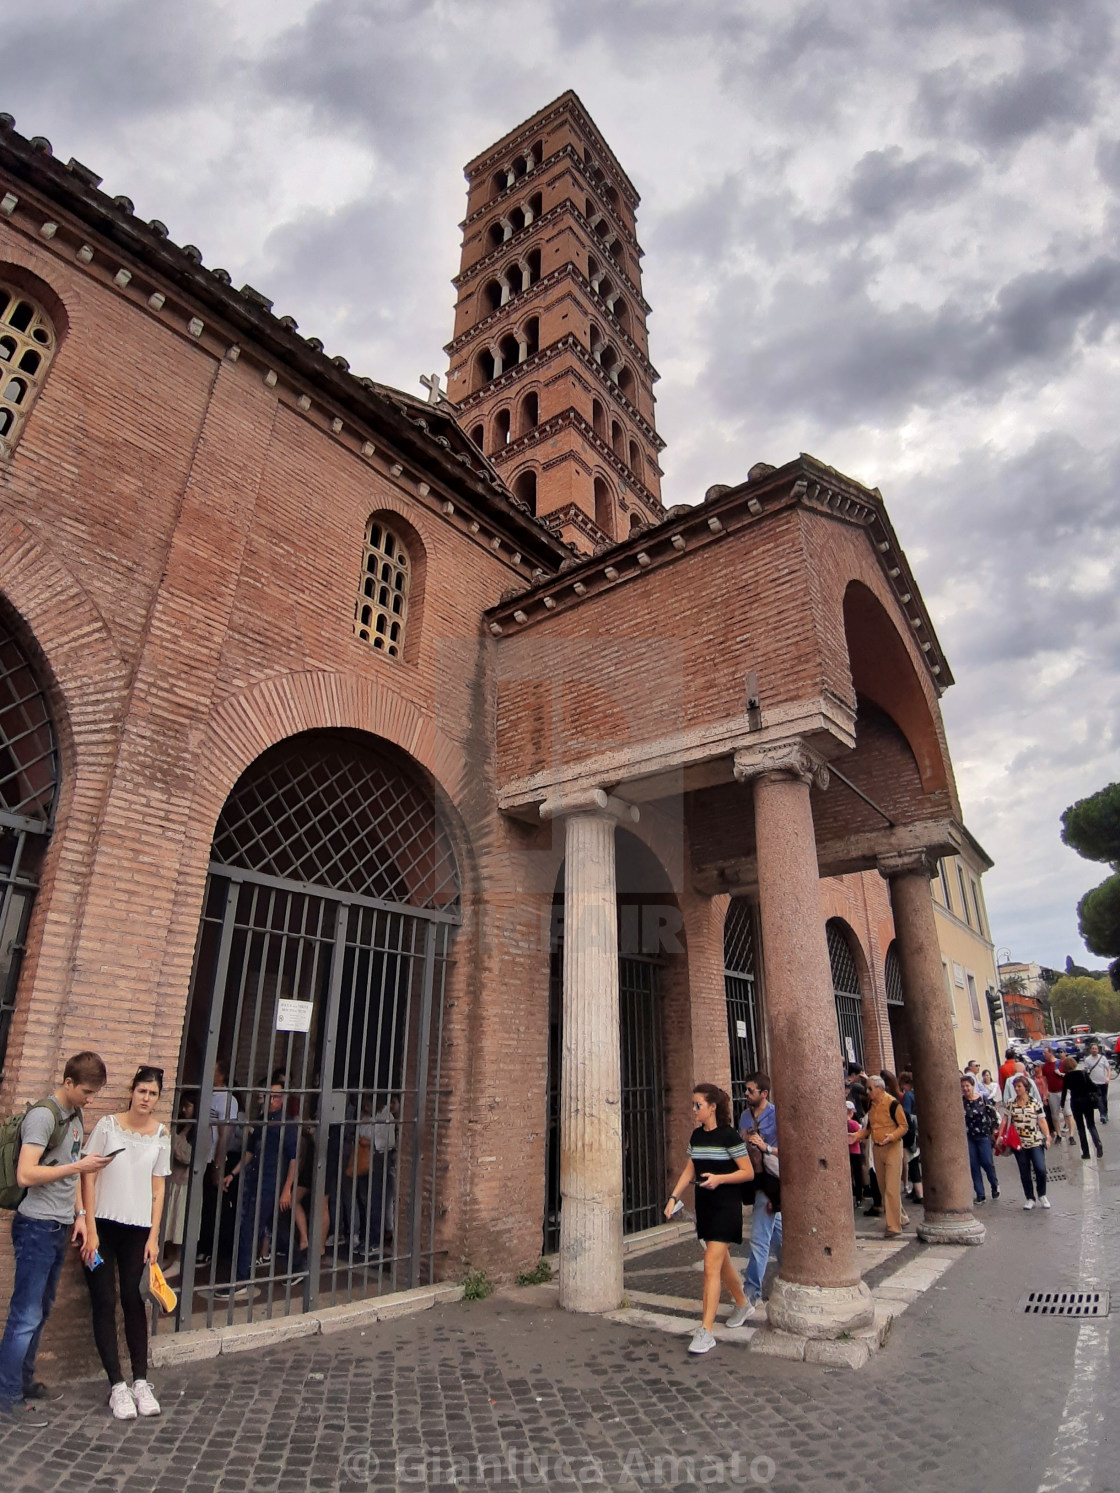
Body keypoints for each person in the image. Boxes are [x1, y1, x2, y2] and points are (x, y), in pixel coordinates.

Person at [0, 1051, 111, 1428]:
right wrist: (79, 1167)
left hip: (60, 1226)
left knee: (41, 1311)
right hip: (35, 1227)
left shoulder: (75, 1117)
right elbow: (26, 1175)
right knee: (25, 1315)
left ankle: (24, 1381)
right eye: (86, 1091)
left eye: (94, 1094)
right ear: (67, 1082)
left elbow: (71, 1177)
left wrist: (80, 1215)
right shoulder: (44, 1117)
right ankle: (7, 1395)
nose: (90, 1099)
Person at [80, 1065, 171, 1419]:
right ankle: (116, 1385)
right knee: (103, 1299)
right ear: (131, 1091)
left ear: (157, 1098)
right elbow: (87, 1174)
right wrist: (89, 1226)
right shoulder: (108, 1126)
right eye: (142, 1091)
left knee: (134, 1299)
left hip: (137, 1229)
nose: (146, 1098)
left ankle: (140, 1382)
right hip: (102, 1224)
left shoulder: (160, 1134)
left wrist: (154, 1237)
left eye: (153, 1094)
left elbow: (159, 1188)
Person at [665, 1084, 754, 1355]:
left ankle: (706, 1331)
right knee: (720, 1261)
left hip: (726, 1205)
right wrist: (673, 1197)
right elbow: (688, 1169)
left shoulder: (729, 1137)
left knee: (710, 1266)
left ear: (712, 1107)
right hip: (705, 1205)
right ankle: (742, 1302)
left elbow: (747, 1172)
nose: (693, 1110)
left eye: (697, 1105)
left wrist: (720, 1179)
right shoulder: (696, 1136)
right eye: (693, 1105)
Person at [220, 1082, 302, 1295]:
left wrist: (287, 1189)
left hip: (272, 1183)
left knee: (250, 1227)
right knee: (276, 1227)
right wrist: (233, 1173)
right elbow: (250, 1152)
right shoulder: (261, 1121)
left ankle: (242, 1279)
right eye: (268, 1096)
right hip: (256, 1181)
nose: (272, 1100)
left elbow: (294, 1159)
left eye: (276, 1097)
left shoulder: (287, 1124)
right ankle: (300, 1264)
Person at [737, 1072, 780, 1311]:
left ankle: (750, 1295)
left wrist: (766, 1147)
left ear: (764, 1094)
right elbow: (740, 1142)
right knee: (780, 1235)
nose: (746, 1093)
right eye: (746, 1089)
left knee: (760, 1239)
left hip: (771, 1178)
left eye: (751, 1090)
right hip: (754, 1178)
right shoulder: (744, 1115)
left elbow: (787, 1151)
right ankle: (790, 1277)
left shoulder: (775, 1115)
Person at [852, 1076, 908, 1238]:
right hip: (877, 1148)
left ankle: (893, 1226)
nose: (867, 1092)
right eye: (867, 1089)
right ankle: (901, 1216)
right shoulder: (872, 1105)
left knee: (891, 1188)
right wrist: (856, 1136)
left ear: (880, 1089)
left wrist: (892, 1136)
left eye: (870, 1088)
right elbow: (869, 1129)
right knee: (884, 1188)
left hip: (892, 1147)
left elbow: (904, 1126)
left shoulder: (893, 1104)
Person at [1004, 1073, 1052, 1210]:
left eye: (1019, 1086)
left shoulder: (1035, 1102)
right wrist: (1001, 1135)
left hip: (1035, 1141)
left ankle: (1042, 1195)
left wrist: (1047, 1136)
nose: (1017, 1089)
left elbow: (1042, 1120)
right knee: (1024, 1171)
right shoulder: (1011, 1103)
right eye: (1015, 1087)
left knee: (1040, 1169)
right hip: (1019, 1143)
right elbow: (1006, 1120)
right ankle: (1030, 1198)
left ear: (1026, 1087)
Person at [961, 1075, 1000, 1202]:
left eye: (967, 1086)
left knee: (987, 1162)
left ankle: (994, 1185)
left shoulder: (982, 1099)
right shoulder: (960, 1102)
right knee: (973, 1165)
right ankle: (980, 1193)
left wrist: (994, 1129)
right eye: (963, 1086)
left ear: (973, 1086)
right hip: (969, 1137)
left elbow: (993, 1114)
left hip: (983, 1135)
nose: (965, 1089)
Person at [1061, 1055, 1103, 1161]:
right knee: (1091, 1125)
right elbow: (1092, 1086)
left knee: (1081, 1128)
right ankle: (1098, 1145)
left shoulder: (1066, 1077)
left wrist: (1062, 1105)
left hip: (1075, 1103)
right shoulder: (1083, 1073)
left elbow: (1064, 1092)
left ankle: (1086, 1152)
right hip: (1087, 1101)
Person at [898, 1070, 923, 1205]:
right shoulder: (917, 1093)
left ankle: (919, 1193)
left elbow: (906, 1114)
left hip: (912, 1130)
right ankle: (916, 1189)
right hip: (920, 1129)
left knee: (912, 1161)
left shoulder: (908, 1095)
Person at [1082, 1043, 1111, 1124]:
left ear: (1098, 1050)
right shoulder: (1087, 1059)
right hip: (1094, 1083)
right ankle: (1102, 1115)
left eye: (1096, 1049)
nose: (1094, 1050)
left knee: (1104, 1099)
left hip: (1103, 1082)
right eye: (1093, 1048)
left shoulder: (1103, 1058)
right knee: (1098, 1099)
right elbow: (1085, 1071)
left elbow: (1108, 1069)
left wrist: (1108, 1077)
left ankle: (1105, 1113)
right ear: (1090, 1050)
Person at [846, 1101, 864, 1204]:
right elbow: (860, 1136)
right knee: (858, 1174)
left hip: (847, 1152)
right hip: (855, 1151)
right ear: (851, 1112)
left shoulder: (842, 1124)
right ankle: (859, 1197)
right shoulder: (854, 1124)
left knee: (850, 1174)